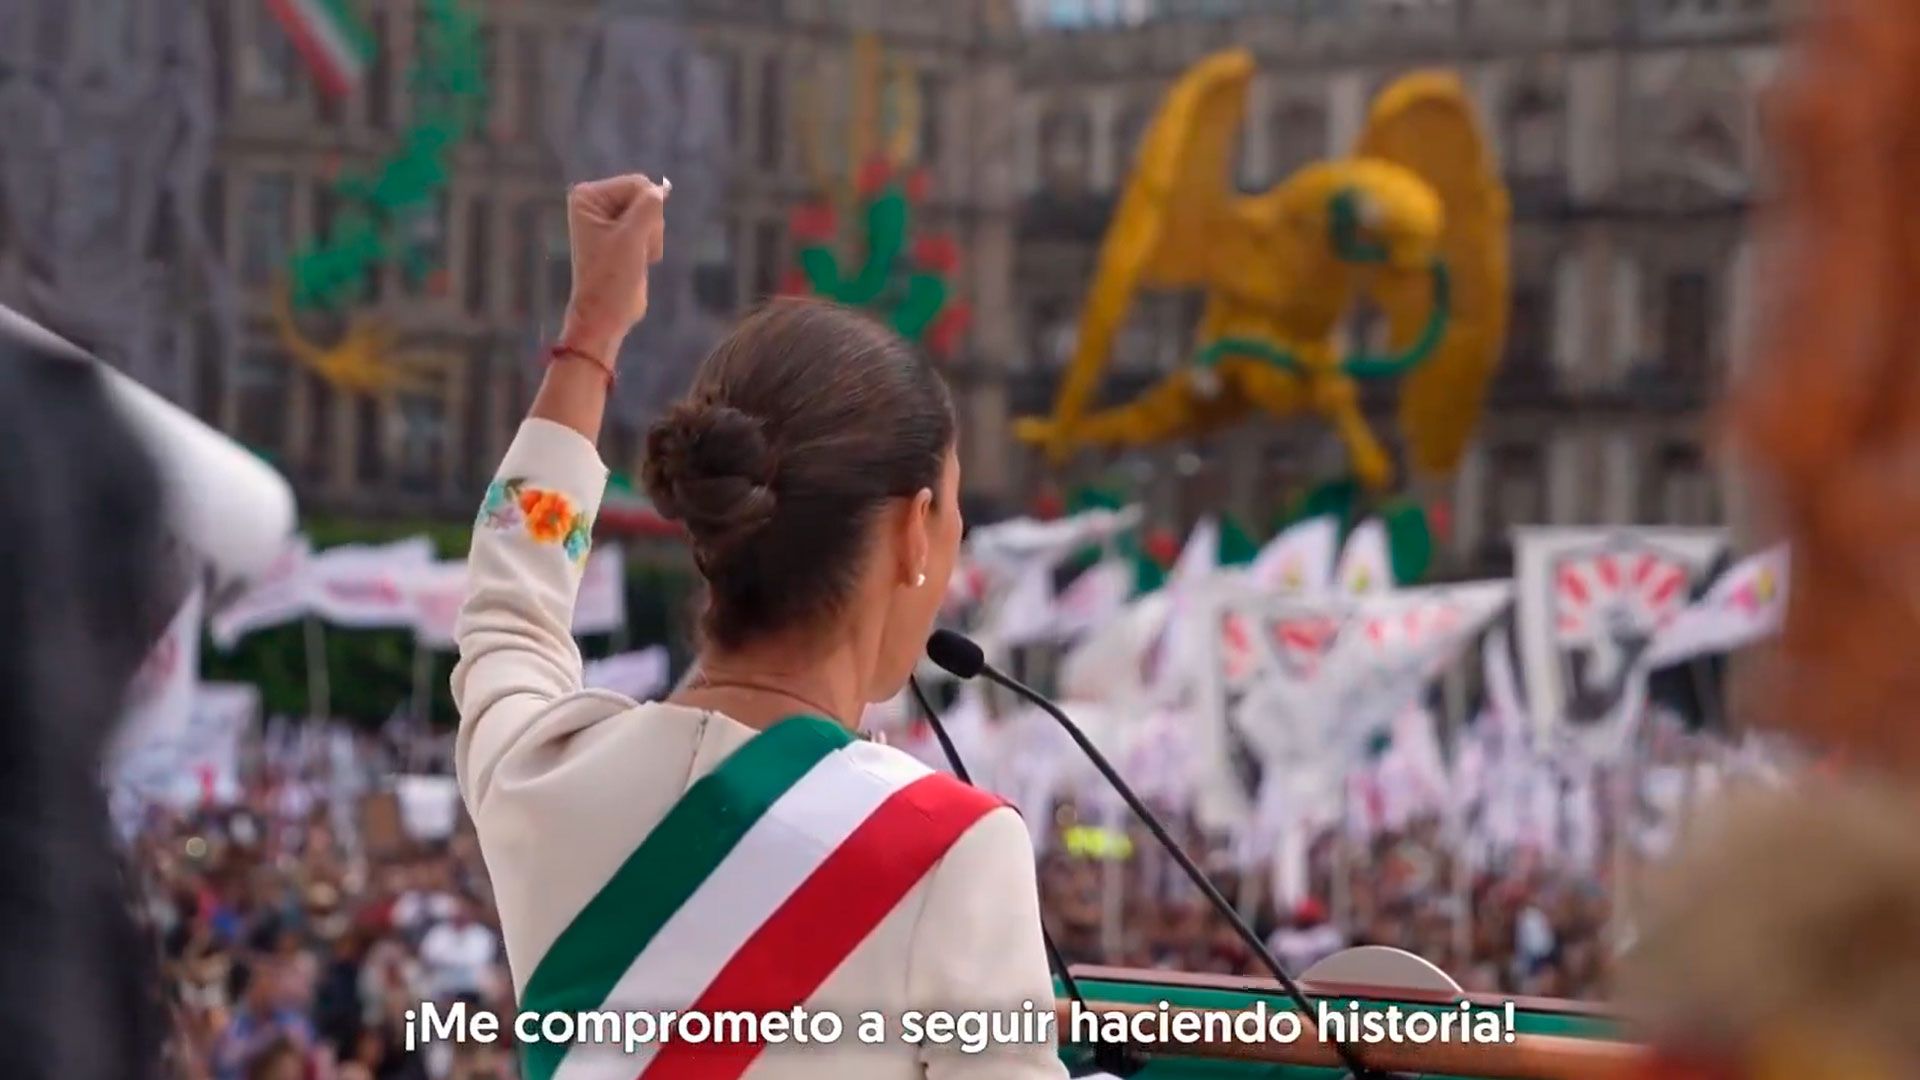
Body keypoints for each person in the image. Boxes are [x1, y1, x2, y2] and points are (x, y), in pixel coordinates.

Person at [452, 175, 1065, 1079]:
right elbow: (513, 601)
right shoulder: (947, 851)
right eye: (955, 510)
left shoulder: (539, 772)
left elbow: (512, 603)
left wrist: (589, 337)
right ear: (911, 530)